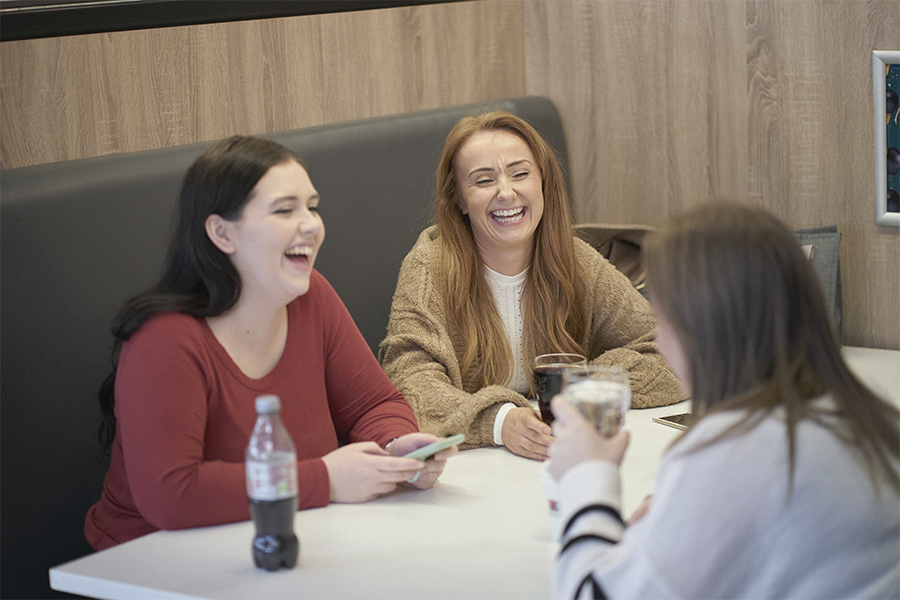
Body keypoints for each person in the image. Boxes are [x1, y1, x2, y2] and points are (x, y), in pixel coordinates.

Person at [85, 136, 457, 551]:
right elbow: (173, 495)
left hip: (287, 541)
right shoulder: (165, 340)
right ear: (222, 233)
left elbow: (375, 405)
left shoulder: (311, 295)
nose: (312, 225)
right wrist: (327, 479)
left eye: (312, 207)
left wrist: (394, 448)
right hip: (151, 563)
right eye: (285, 210)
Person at [550, 203, 900, 599]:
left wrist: (588, 474)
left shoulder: (733, 451)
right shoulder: (869, 417)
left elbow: (588, 593)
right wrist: (683, 520)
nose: (659, 342)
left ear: (703, 329)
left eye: (662, 319)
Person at [379, 111, 684, 462]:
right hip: (472, 472)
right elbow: (408, 384)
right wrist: (500, 421)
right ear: (459, 199)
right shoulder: (429, 266)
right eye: (483, 181)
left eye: (520, 174)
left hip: (562, 457)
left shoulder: (576, 260)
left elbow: (668, 350)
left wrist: (579, 390)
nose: (506, 193)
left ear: (542, 183)